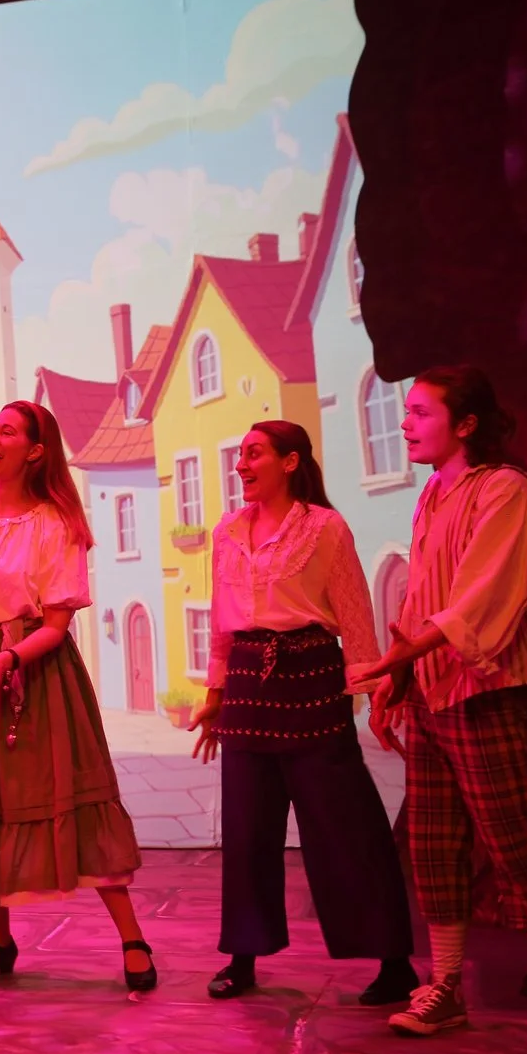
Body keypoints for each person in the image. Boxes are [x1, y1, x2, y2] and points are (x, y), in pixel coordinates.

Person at [357, 365, 527, 1051]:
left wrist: (395, 661)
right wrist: (396, 682)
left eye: (422, 412)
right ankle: (447, 987)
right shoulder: (432, 494)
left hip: (489, 689)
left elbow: (485, 599)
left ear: (466, 424)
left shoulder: (506, 491)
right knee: (435, 848)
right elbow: (422, 594)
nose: (405, 422)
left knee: (515, 845)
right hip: (433, 694)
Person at [0, 401, 155, 991]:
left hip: (37, 675)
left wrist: (9, 657)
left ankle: (133, 938)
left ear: (35, 450)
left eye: (7, 432)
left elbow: (55, 624)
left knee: (72, 798)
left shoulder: (55, 523)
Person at [190, 423, 417, 1003]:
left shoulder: (324, 527)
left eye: (254, 453)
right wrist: (215, 696)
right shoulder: (227, 531)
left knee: (346, 828)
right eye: (239, 454)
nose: (241, 463)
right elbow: (221, 620)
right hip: (246, 683)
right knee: (247, 832)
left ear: (291, 462)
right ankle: (242, 958)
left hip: (310, 676)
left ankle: (395, 963)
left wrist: (372, 693)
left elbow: (354, 611)